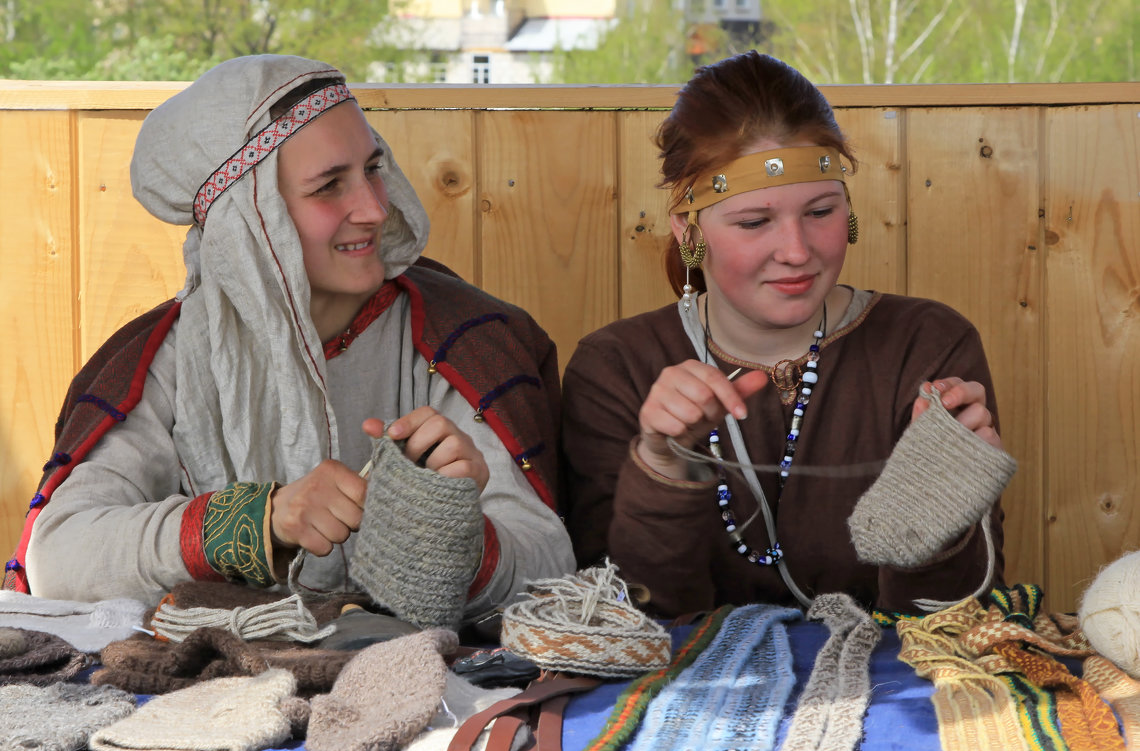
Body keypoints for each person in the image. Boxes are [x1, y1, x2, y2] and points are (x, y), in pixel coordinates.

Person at [3, 55, 574, 629]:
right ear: (249, 221)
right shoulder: (165, 361)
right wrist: (259, 520)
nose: (375, 208)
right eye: (329, 186)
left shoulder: (462, 339)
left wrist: (461, 540)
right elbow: (58, 558)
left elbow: (554, 580)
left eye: (372, 169)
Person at [561, 51, 1009, 619]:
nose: (798, 252)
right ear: (690, 232)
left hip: (887, 691)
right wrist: (661, 465)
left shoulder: (925, 346)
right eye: (755, 222)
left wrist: (941, 514)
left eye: (820, 212)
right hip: (688, 699)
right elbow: (631, 623)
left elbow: (954, 623)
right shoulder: (615, 368)